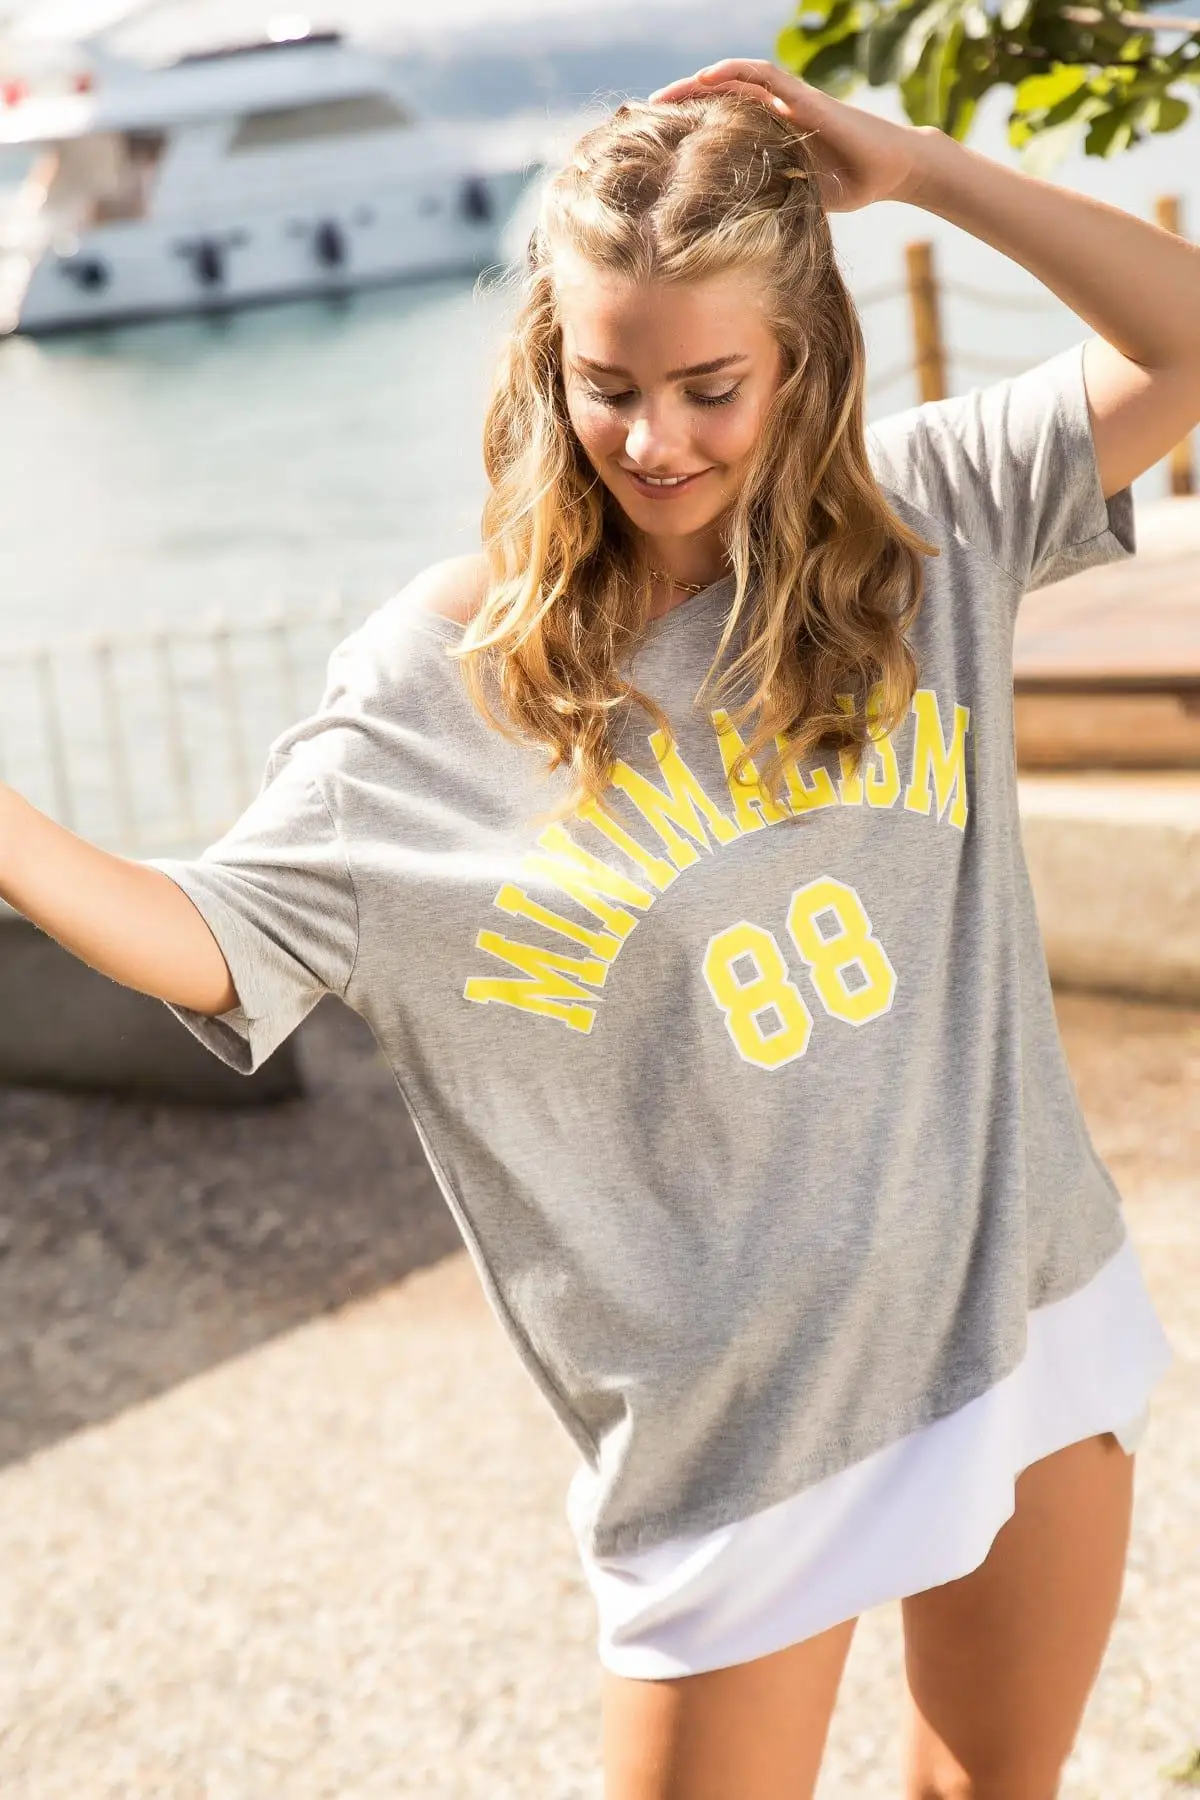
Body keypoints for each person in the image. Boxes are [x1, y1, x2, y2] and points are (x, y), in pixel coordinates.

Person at [1, 58, 1192, 1800]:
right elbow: (218, 931)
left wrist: (929, 169)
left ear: (802, 360)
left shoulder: (926, 530)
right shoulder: (451, 677)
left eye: (712, 387)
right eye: (608, 385)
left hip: (1024, 1306)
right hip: (743, 1430)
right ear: (546, 367)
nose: (655, 441)